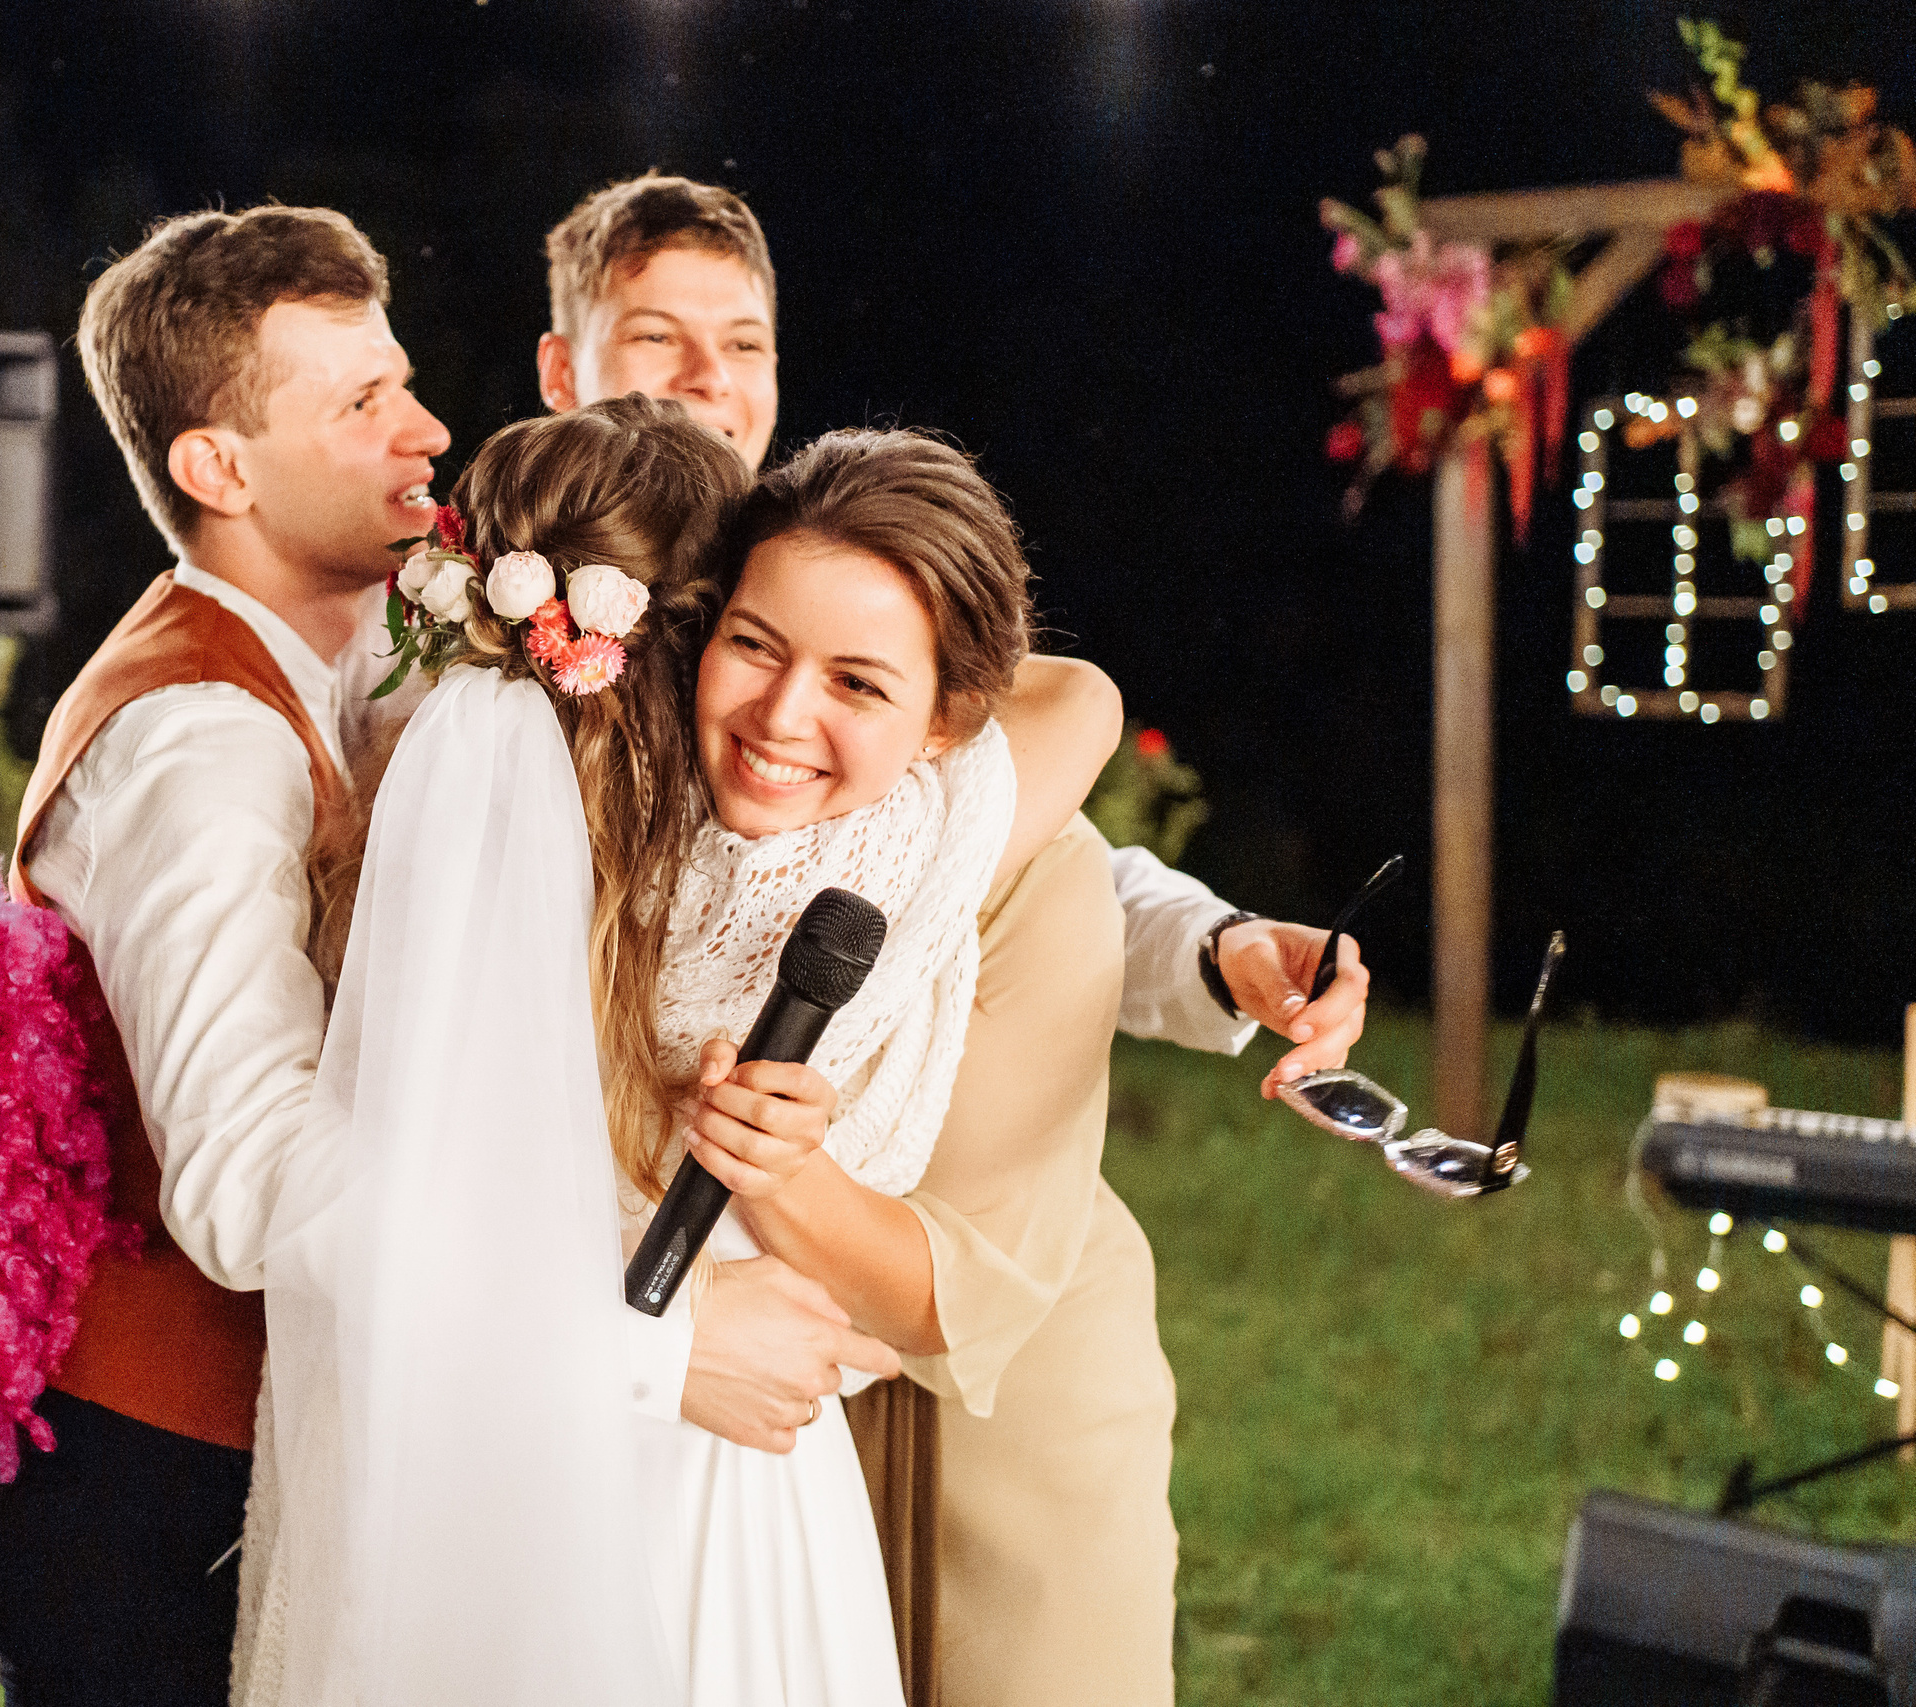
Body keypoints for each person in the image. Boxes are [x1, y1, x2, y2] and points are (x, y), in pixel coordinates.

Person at [525, 172, 1377, 1704]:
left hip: (1008, 1305)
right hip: (743, 1347)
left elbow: (1007, 838)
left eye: (747, 345)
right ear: (562, 369)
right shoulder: (541, 648)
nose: (710, 382)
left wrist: (1217, 943)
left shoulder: (846, 589)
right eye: (660, 341)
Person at [248, 396, 1122, 1705]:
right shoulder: (867, 861)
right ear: (683, 637)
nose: (781, 714)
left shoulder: (462, 827)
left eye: (855, 682)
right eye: (747, 642)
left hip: (524, 1467)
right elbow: (1079, 708)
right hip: (705, 1467)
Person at [0, 204, 454, 1707]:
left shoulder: (336, 667)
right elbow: (241, 1189)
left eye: (402, 381)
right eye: (359, 404)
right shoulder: (202, 740)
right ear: (216, 469)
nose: (424, 430)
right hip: (145, 1485)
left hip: (196, 1458)